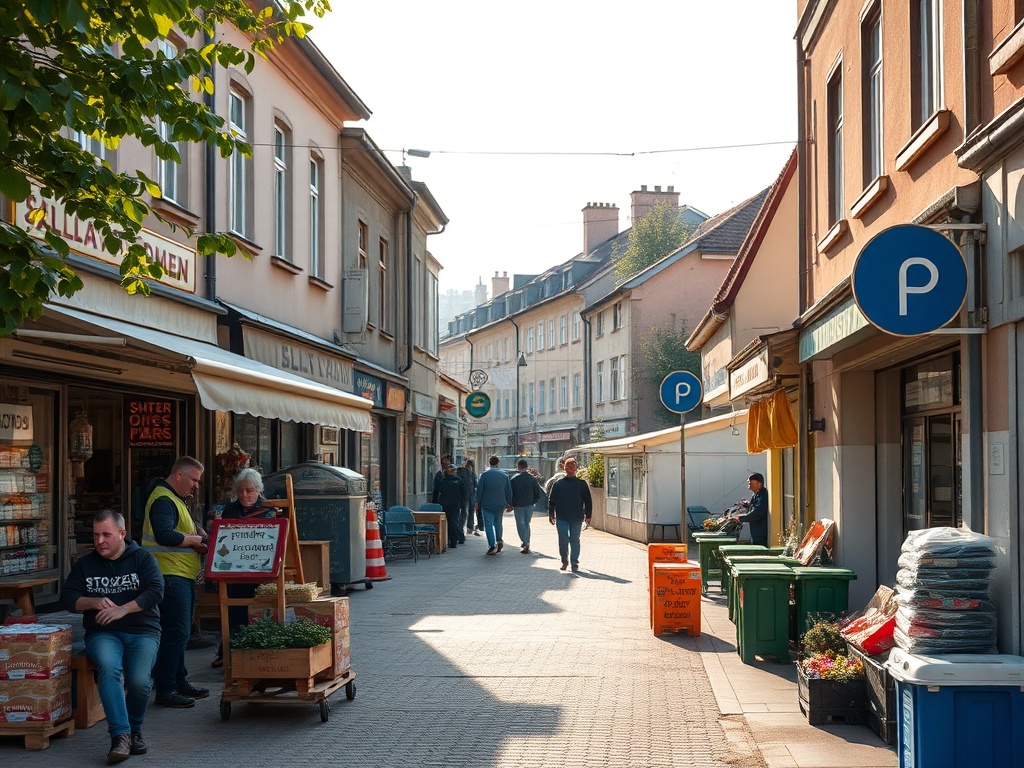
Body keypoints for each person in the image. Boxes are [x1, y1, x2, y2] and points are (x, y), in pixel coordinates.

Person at [61, 510, 164, 764]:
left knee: (140, 681)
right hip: (103, 633)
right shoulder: (85, 564)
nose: (100, 541)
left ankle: (134, 730)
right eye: (96, 535)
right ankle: (120, 736)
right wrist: (93, 601)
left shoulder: (142, 559)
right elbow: (67, 598)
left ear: (122, 533)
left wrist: (123, 609)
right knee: (110, 668)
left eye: (106, 534)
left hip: (142, 629)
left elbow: (156, 591)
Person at [142, 456, 210, 708]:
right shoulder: (163, 499)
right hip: (169, 575)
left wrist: (197, 537)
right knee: (176, 632)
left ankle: (179, 681)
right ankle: (166, 689)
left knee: (180, 633)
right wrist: (194, 541)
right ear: (178, 476)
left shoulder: (174, 499)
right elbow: (165, 534)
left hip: (180, 574)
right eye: (194, 479)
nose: (196, 485)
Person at [211, 468, 277, 668]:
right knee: (234, 612)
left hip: (260, 572)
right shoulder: (230, 510)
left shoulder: (268, 510)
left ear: (258, 490)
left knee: (259, 610)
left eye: (249, 491)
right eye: (240, 491)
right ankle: (230, 652)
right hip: (234, 570)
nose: (244, 495)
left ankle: (257, 653)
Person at [547, 457, 592, 572]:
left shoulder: (582, 484)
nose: (570, 469)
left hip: (576, 517)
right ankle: (564, 560)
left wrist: (588, 515)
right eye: (568, 466)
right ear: (565, 468)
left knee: (574, 539)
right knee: (563, 539)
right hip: (561, 517)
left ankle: (574, 562)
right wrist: (551, 514)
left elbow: (588, 501)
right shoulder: (558, 484)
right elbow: (552, 501)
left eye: (573, 466)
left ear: (576, 468)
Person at [474, 454, 513, 555]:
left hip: (487, 504)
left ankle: (492, 546)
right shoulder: (504, 476)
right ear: (498, 463)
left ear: (489, 463)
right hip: (500, 503)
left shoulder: (484, 475)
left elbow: (480, 490)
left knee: (488, 525)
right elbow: (508, 491)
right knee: (498, 523)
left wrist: (477, 502)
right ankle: (499, 540)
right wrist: (510, 503)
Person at [510, 458, 544, 554]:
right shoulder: (532, 479)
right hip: (530, 504)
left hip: (518, 505)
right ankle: (526, 541)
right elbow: (537, 492)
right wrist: (534, 501)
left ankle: (525, 542)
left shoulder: (514, 479)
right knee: (526, 523)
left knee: (520, 524)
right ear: (527, 467)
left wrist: (511, 503)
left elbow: (510, 493)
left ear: (518, 466)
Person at [432, 464, 466, 549]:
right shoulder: (458, 481)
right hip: (454, 504)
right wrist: (463, 504)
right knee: (454, 522)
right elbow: (463, 494)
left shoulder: (442, 481)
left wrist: (434, 503)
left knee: (447, 522)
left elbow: (436, 493)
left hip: (444, 504)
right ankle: (454, 540)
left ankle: (449, 540)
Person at [732, 472, 769, 547]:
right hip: (755, 531)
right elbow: (752, 509)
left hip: (761, 532)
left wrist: (741, 518)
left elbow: (757, 513)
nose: (749, 483)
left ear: (759, 484)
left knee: (760, 551)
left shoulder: (763, 495)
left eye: (751, 482)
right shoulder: (755, 495)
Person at [456, 458, 478, 538]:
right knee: (467, 512)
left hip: (467, 496)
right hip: (469, 495)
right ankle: (468, 527)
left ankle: (465, 527)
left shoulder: (464, 472)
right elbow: (475, 485)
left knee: (466, 512)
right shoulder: (470, 473)